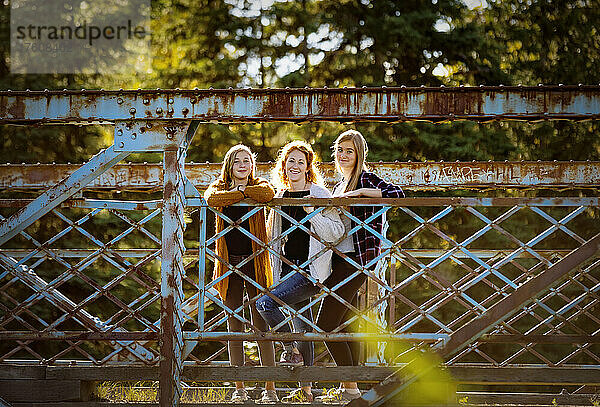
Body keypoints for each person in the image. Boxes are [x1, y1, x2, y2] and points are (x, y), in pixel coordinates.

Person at [315, 129, 405, 403]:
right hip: (338, 259)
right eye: (340, 150)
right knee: (344, 323)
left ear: (359, 154)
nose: (343, 156)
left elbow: (398, 195)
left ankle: (351, 385)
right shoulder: (338, 185)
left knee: (326, 323)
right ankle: (353, 389)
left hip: (358, 259)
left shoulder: (363, 178)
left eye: (349, 151)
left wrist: (363, 192)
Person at [256, 140, 344, 403]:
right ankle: (307, 391)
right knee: (303, 327)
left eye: (301, 162)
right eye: (290, 161)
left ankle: (288, 348)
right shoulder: (280, 196)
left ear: (308, 168)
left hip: (310, 271)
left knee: (265, 304)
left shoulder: (318, 193)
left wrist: (312, 212)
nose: (295, 166)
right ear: (284, 166)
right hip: (285, 268)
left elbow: (337, 232)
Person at [204, 144, 278, 404]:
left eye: (247, 160)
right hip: (229, 265)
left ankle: (270, 388)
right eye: (237, 161)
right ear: (229, 166)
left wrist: (242, 191)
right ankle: (240, 388)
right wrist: (238, 193)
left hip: (255, 264)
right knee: (233, 325)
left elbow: (268, 194)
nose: (243, 165)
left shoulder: (259, 185)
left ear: (252, 165)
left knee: (261, 324)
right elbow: (212, 200)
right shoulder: (219, 187)